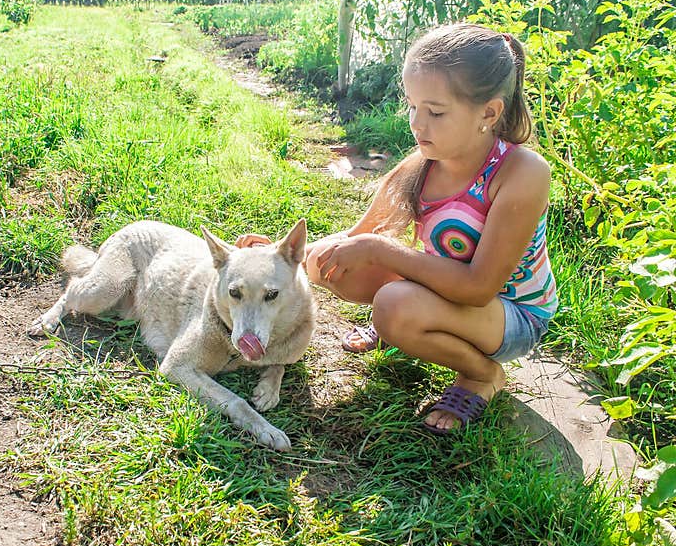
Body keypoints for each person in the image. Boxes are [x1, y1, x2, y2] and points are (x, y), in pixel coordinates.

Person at [236, 23, 558, 435]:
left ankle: (481, 375)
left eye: (436, 112)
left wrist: (380, 250)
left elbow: (479, 287)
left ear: (489, 113)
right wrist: (275, 258)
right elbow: (352, 239)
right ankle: (409, 325)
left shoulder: (522, 173)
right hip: (448, 292)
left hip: (510, 312)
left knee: (392, 307)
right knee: (324, 262)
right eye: (412, 106)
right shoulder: (423, 163)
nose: (416, 124)